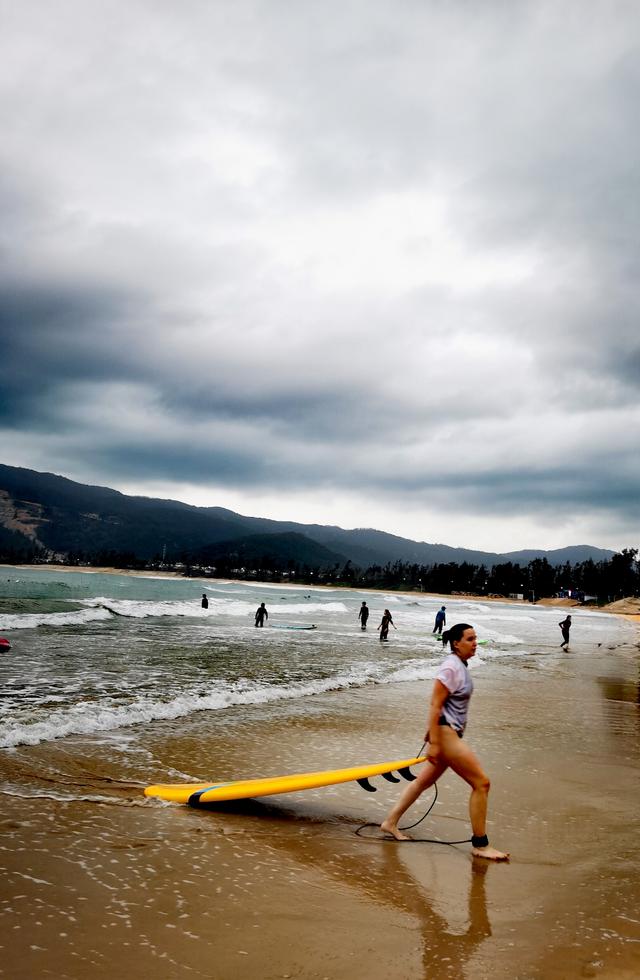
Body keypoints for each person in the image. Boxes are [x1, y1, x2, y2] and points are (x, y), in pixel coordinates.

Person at [380, 622, 509, 861]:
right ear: (456, 643)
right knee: (481, 783)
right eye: (469, 639)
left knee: (422, 783)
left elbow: (446, 705)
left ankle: (390, 822)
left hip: (447, 733)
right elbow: (435, 704)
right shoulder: (451, 667)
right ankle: (480, 845)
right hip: (447, 736)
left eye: (475, 638)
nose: (475, 643)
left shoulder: (460, 665)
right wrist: (436, 742)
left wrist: (432, 734)